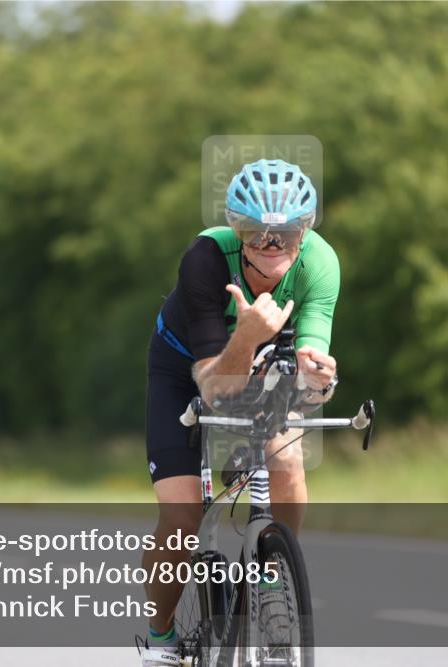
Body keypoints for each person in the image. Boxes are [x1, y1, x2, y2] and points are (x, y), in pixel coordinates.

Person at [140, 159, 340, 666]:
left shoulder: (319, 263)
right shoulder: (206, 257)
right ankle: (161, 639)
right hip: (186, 366)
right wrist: (247, 334)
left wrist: (316, 380)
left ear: (305, 232)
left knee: (288, 464)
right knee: (183, 515)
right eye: (257, 235)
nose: (273, 247)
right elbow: (212, 385)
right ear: (237, 232)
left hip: (262, 366)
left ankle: (274, 575)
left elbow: (312, 369)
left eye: (287, 234)